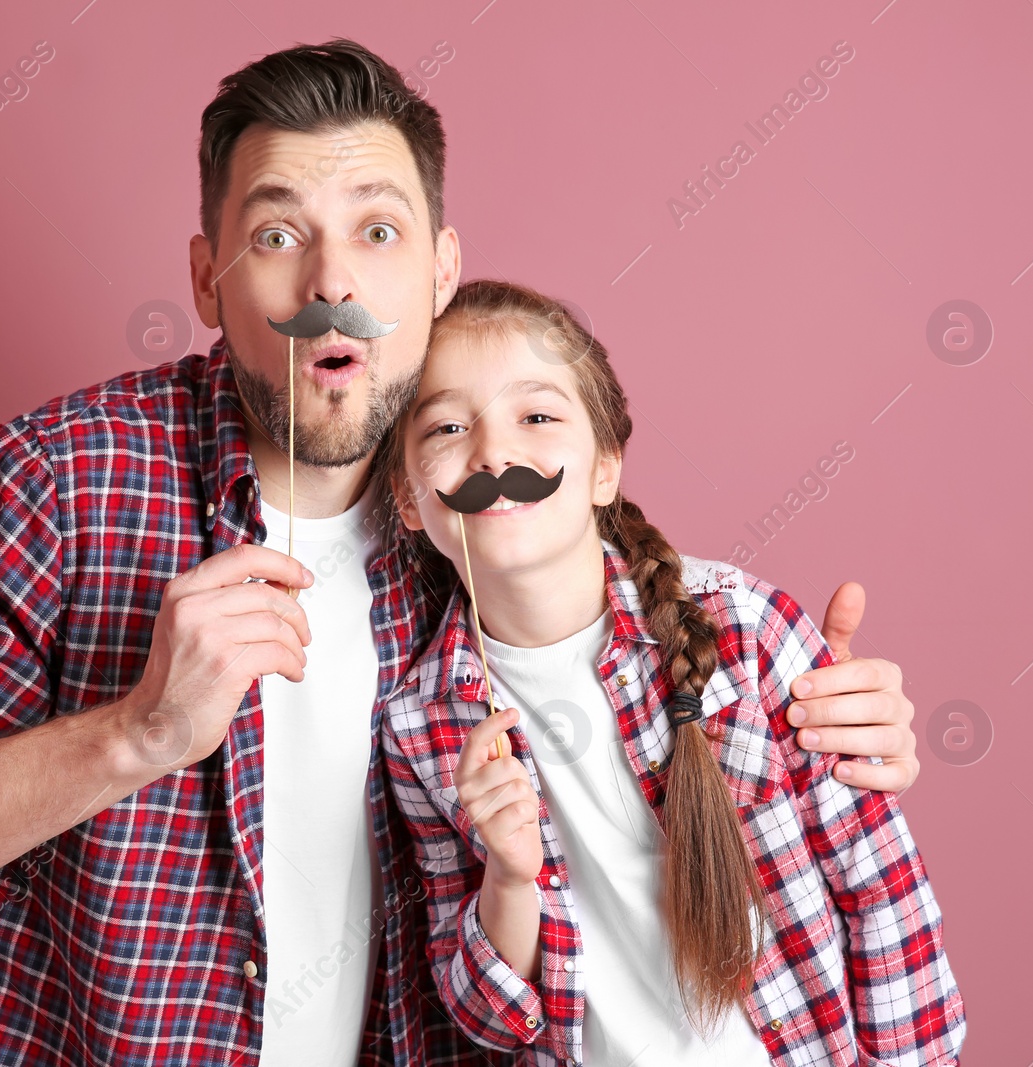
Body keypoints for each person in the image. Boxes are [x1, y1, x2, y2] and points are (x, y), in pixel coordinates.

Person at [0, 39, 925, 1067]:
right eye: (277, 235)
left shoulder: (460, 515)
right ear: (206, 277)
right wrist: (138, 733)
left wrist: (816, 713)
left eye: (376, 231)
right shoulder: (57, 484)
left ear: (436, 270)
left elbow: (641, 651)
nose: (332, 283)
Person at [377, 278, 965, 1066]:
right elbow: (487, 1020)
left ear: (604, 468)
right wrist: (509, 881)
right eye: (448, 427)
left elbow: (879, 889)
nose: (493, 453)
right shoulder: (419, 725)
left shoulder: (747, 631)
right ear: (409, 499)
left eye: (538, 416)